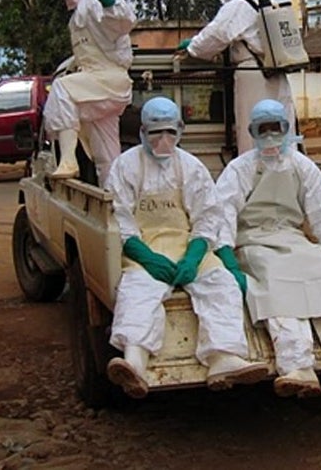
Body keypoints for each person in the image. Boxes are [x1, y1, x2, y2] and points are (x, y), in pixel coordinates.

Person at [215, 99, 321, 398]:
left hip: (294, 239)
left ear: (287, 128)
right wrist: (228, 257)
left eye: (276, 128)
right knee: (276, 288)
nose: (270, 136)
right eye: (263, 129)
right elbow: (223, 211)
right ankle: (296, 365)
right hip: (254, 242)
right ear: (252, 132)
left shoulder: (300, 165)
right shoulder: (240, 168)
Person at [104, 97, 269, 398]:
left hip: (186, 244)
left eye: (169, 131)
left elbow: (207, 215)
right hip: (145, 247)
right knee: (137, 290)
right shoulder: (124, 167)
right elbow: (120, 219)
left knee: (221, 284)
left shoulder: (191, 167)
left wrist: (194, 256)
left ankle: (222, 356)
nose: (163, 140)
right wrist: (146, 257)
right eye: (155, 133)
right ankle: (135, 361)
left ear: (180, 129)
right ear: (142, 132)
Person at [174, 0, 296, 154]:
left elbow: (215, 35)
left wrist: (192, 46)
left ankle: (252, 174)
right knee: (281, 129)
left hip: (253, 74)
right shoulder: (267, 0)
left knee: (253, 128)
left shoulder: (238, 5)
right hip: (276, 72)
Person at [43, 0, 136, 185]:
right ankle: (113, 196)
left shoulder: (93, 4)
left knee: (62, 90)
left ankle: (67, 160)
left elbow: (124, 21)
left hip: (107, 80)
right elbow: (95, 47)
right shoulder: (77, 18)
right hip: (98, 85)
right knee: (106, 153)